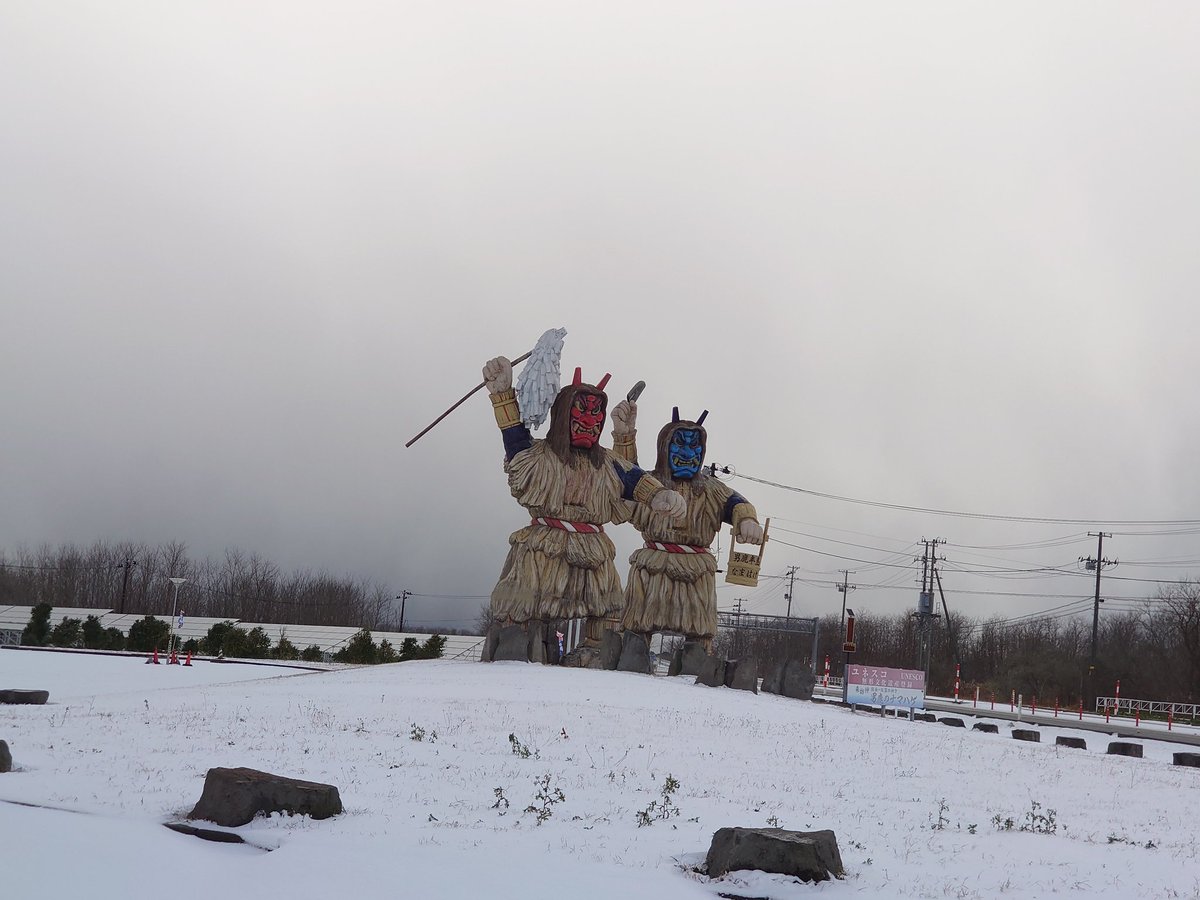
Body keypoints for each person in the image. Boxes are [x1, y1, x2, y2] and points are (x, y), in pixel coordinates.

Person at [483, 356, 685, 660]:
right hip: (543, 546)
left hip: (593, 550)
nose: (591, 420)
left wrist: (658, 495)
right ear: (563, 413)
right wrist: (502, 395)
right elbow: (515, 441)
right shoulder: (540, 455)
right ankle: (518, 652)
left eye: (596, 412)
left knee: (605, 611)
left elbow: (633, 478)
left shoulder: (607, 463)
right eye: (582, 410)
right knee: (524, 606)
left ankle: (596, 655)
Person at [610, 402, 764, 651]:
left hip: (696, 573)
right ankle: (631, 659)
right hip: (652, 568)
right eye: (679, 444)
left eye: (695, 446)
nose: (688, 453)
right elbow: (625, 478)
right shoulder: (650, 484)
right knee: (636, 632)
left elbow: (736, 503)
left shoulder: (713, 490)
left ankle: (699, 663)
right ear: (664, 448)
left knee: (700, 636)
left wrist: (747, 520)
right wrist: (624, 436)